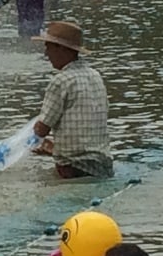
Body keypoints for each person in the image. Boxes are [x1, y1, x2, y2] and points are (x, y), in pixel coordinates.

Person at [32, 20, 113, 179]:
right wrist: (54, 148)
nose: (46, 54)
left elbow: (42, 129)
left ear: (61, 49)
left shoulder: (61, 81)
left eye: (48, 47)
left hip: (73, 168)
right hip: (103, 164)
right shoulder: (95, 76)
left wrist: (30, 136)